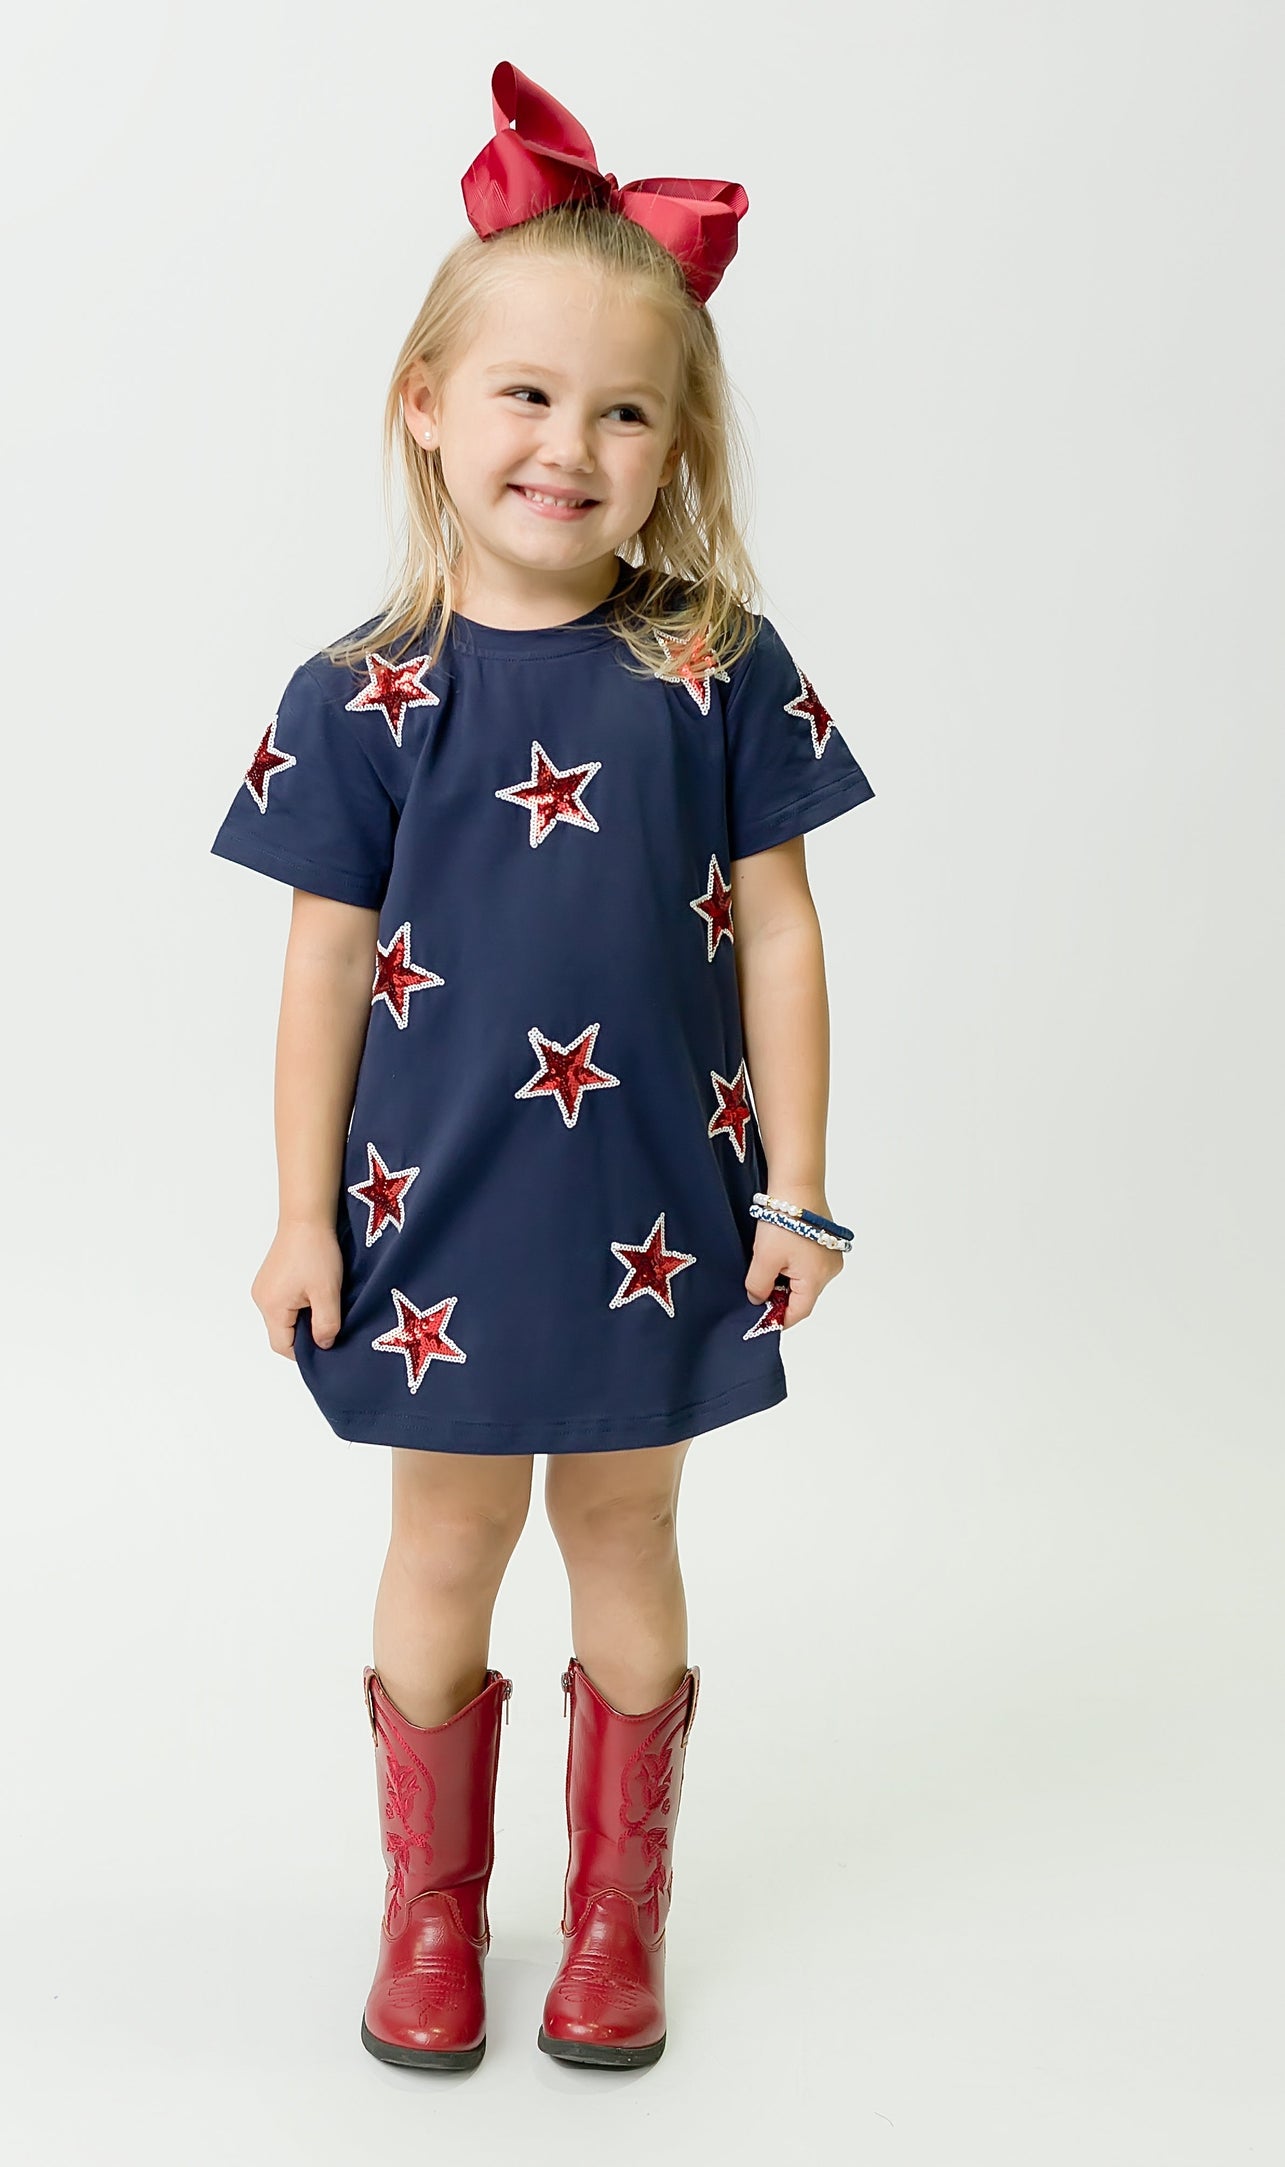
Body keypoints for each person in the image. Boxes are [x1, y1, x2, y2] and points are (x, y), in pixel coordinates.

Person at [208, 60, 876, 2075]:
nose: (566, 445)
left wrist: (800, 1191)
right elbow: (322, 968)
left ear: (675, 446)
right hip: (443, 1218)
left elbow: (780, 927)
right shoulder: (360, 694)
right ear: (427, 400)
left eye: (621, 408)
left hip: (659, 1211)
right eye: (523, 394)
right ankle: (430, 1915)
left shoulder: (714, 663)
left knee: (626, 1536)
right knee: (441, 1542)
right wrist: (300, 1218)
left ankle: (614, 1916)